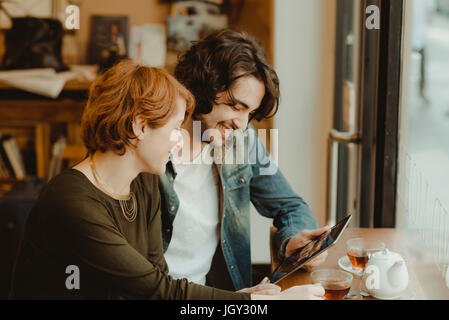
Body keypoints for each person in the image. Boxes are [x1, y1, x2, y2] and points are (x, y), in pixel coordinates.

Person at [9, 59, 324, 300]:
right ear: (139, 127)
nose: (179, 142)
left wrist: (244, 300)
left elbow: (158, 282)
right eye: (175, 129)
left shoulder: (142, 182)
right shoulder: (71, 200)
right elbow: (158, 289)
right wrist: (253, 302)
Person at [161, 29, 329, 293]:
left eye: (249, 112)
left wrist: (293, 240)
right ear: (202, 88)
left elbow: (290, 205)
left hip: (223, 292)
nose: (241, 123)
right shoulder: (152, 149)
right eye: (235, 106)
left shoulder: (241, 141)